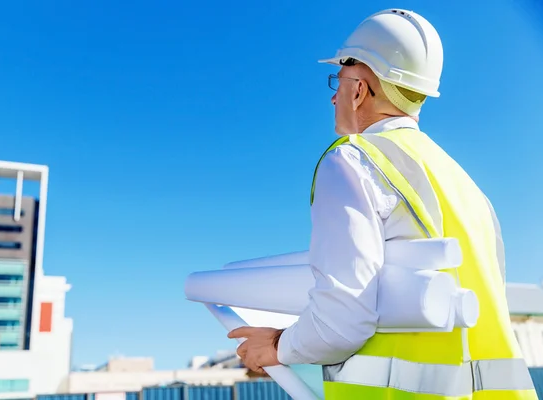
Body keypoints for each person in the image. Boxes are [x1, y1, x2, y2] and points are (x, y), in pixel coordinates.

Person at [227, 8, 538, 399]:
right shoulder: (467, 188)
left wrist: (275, 346)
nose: (333, 97)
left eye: (336, 82)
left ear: (358, 89)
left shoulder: (354, 160)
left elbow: (343, 319)